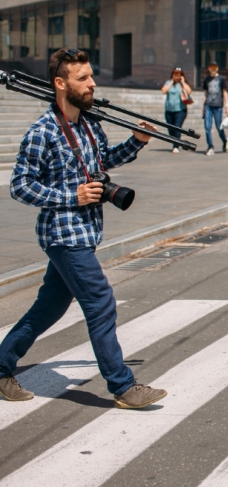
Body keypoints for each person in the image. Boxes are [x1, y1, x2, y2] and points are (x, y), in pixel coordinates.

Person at [0, 49, 166, 409]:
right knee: (101, 302)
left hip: (85, 232)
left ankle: (0, 366)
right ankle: (122, 386)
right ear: (61, 83)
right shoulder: (42, 132)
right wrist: (71, 196)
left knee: (49, 309)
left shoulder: (90, 125)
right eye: (83, 78)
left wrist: (136, 142)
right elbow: (20, 186)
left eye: (91, 76)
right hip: (62, 234)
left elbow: (102, 161)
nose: (92, 83)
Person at [201, 62, 228, 156]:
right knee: (207, 127)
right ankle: (210, 146)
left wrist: (227, 106)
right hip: (208, 106)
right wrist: (203, 106)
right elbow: (205, 93)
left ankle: (225, 140)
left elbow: (224, 92)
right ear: (209, 69)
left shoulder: (221, 79)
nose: (213, 70)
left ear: (217, 69)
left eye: (214, 68)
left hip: (218, 106)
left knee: (219, 127)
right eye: (211, 68)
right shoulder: (206, 79)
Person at [162, 67, 193, 154]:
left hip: (180, 110)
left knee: (177, 127)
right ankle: (175, 141)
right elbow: (163, 91)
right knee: (170, 129)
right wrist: (171, 82)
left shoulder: (182, 84)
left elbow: (189, 92)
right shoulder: (168, 83)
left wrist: (183, 82)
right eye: (175, 74)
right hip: (169, 110)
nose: (177, 76)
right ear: (172, 75)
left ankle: (176, 146)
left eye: (179, 75)